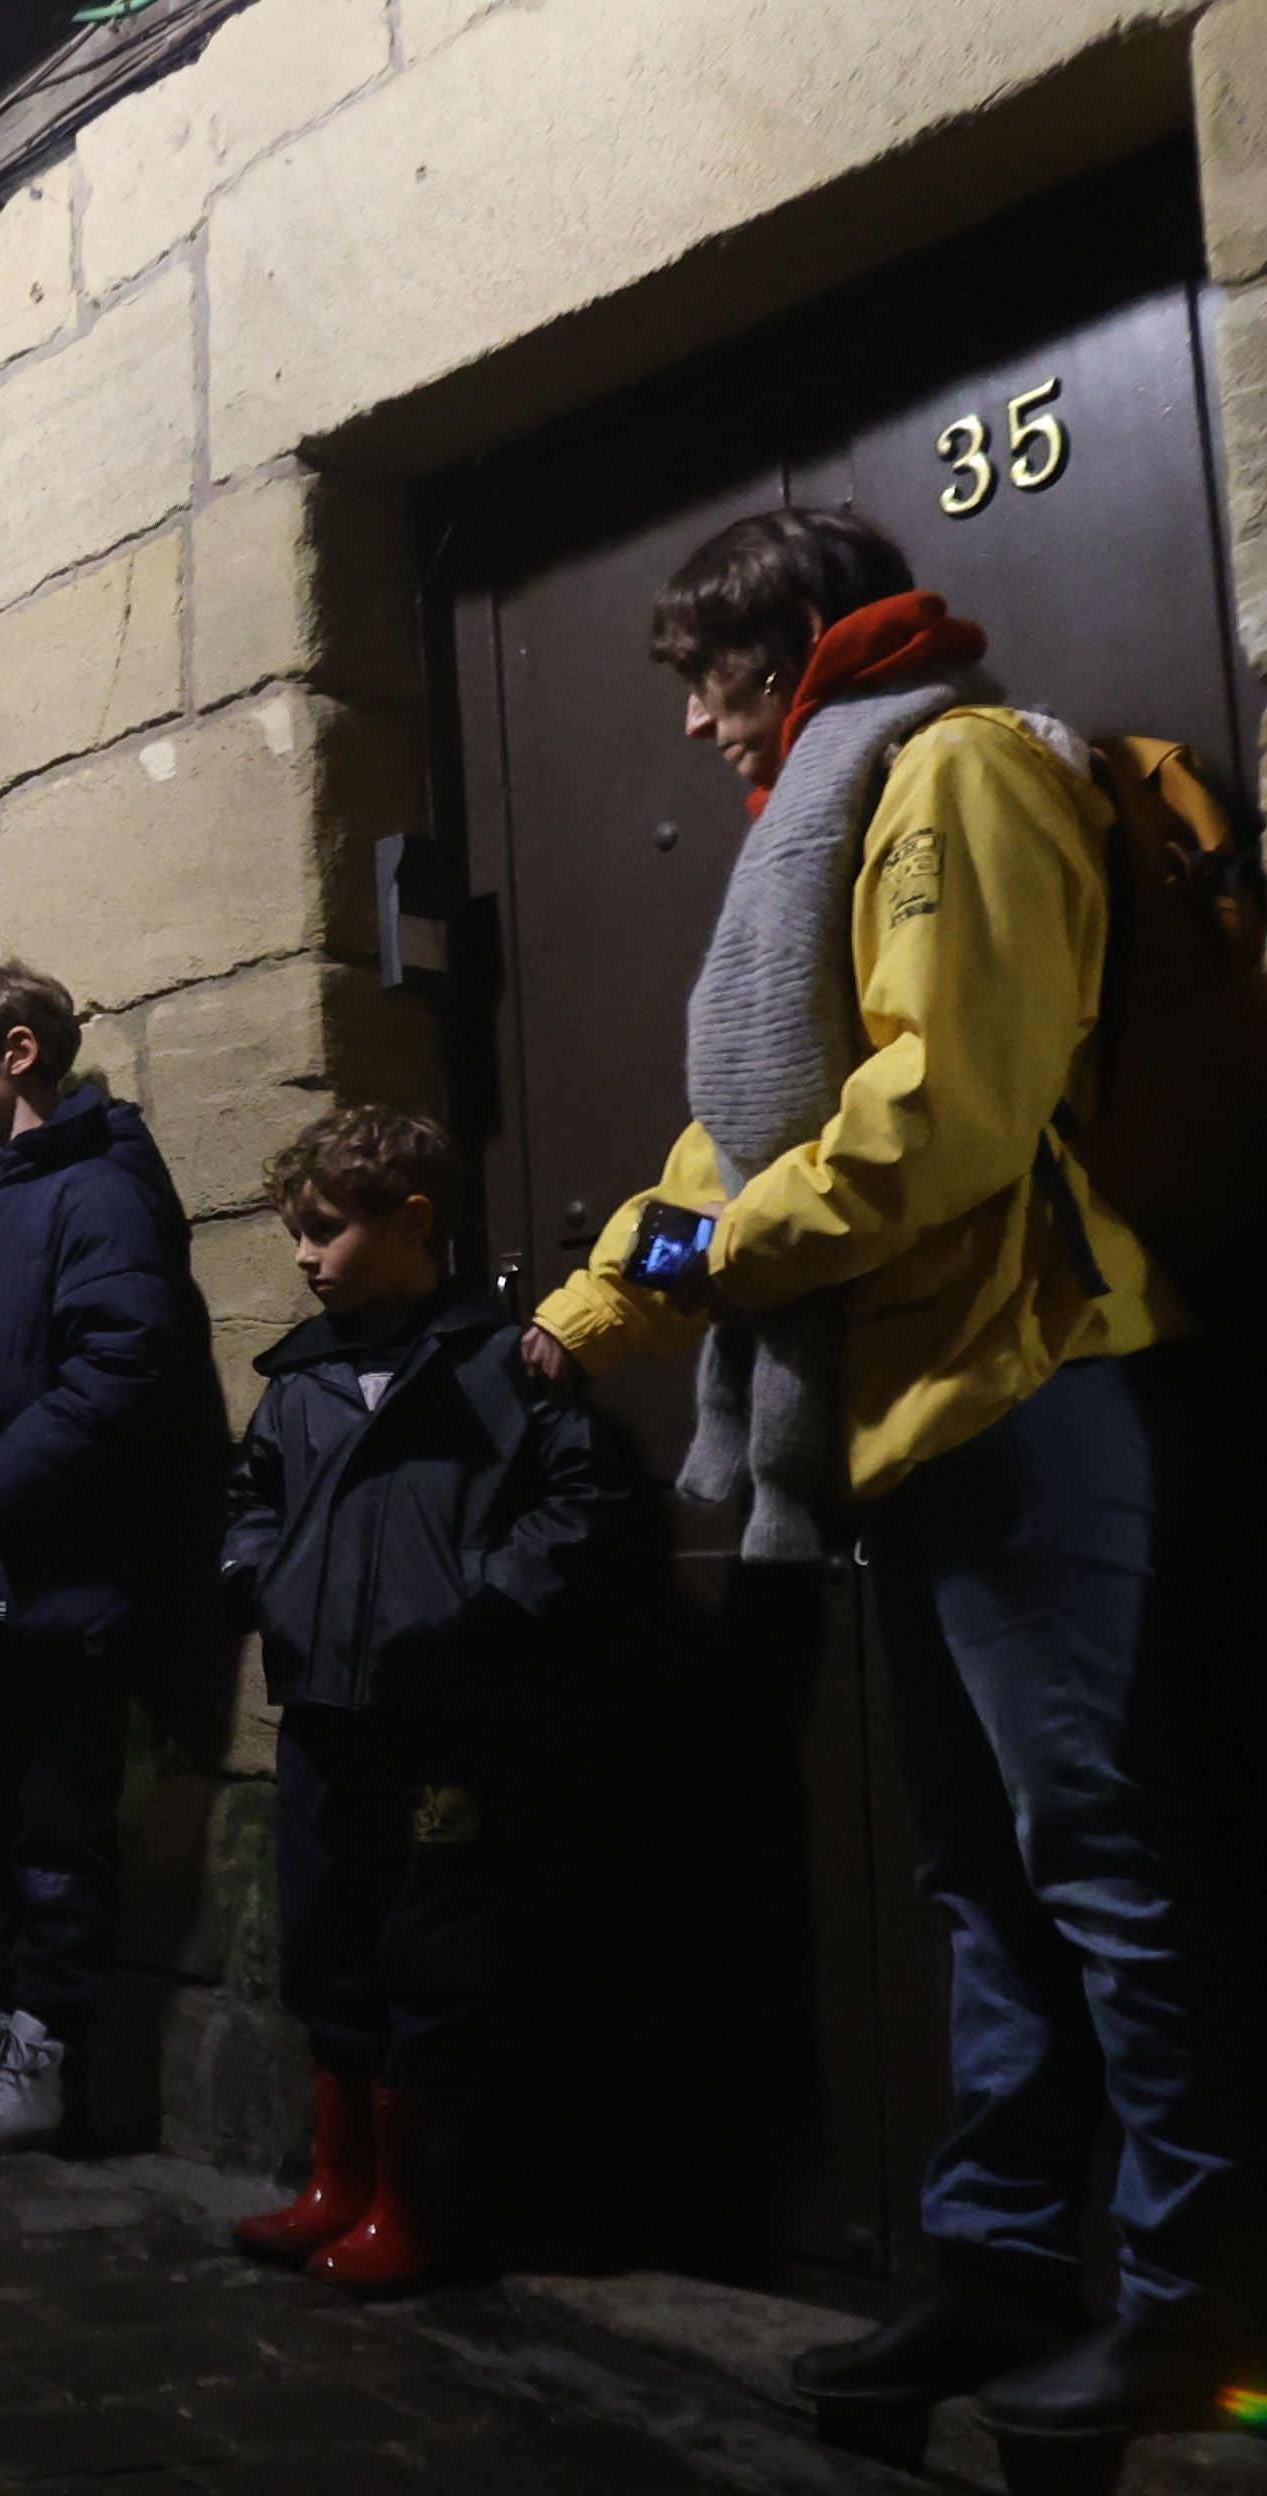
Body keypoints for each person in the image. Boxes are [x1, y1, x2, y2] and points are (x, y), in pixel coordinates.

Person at [521, 508, 1254, 2440]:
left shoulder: (956, 766)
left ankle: (1191, 2298)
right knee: (983, 1878)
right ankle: (1000, 2270)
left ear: (802, 644)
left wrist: (711, 1256)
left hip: (1027, 1372)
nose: (696, 723)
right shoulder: (830, 812)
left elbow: (938, 1104)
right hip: (917, 1404)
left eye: (713, 675)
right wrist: (600, 1306)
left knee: (1093, 1856)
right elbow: (736, 1127)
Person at [222, 1107, 642, 2294]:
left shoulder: (499, 1371)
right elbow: (250, 1501)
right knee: (329, 1940)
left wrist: (486, 1607)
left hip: (445, 1720)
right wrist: (254, 1578)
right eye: (296, 1234)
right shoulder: (300, 1381)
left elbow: (580, 1505)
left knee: (431, 1945)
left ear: (412, 1226)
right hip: (325, 1711)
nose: (303, 1257)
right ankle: (338, 2180)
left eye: (324, 1232)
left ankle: (415, 2203)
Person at [0, 962, 219, 2154]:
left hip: (50, 1576)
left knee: (54, 1827)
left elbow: (124, 1365)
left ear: (18, 1055)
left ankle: (39, 2057)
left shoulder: (97, 1194)